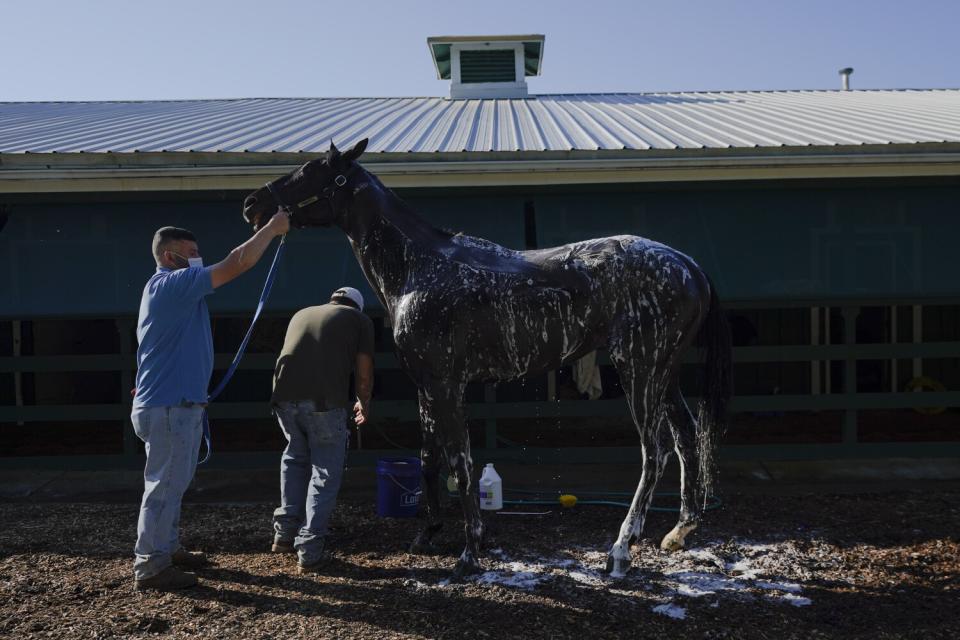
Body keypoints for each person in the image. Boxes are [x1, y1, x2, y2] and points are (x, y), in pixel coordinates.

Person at [131, 211, 290, 591]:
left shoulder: (171, 291)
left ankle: (167, 548)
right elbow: (239, 262)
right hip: (170, 406)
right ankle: (151, 566)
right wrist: (271, 229)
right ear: (171, 256)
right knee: (163, 486)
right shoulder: (172, 285)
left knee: (173, 482)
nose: (198, 257)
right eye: (192, 251)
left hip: (175, 403)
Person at [270, 286, 374, 573]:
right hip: (323, 404)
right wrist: (363, 403)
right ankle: (310, 550)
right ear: (357, 306)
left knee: (294, 459)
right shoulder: (359, 320)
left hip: (282, 399)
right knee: (325, 471)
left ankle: (284, 535)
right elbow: (363, 373)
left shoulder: (302, 313)